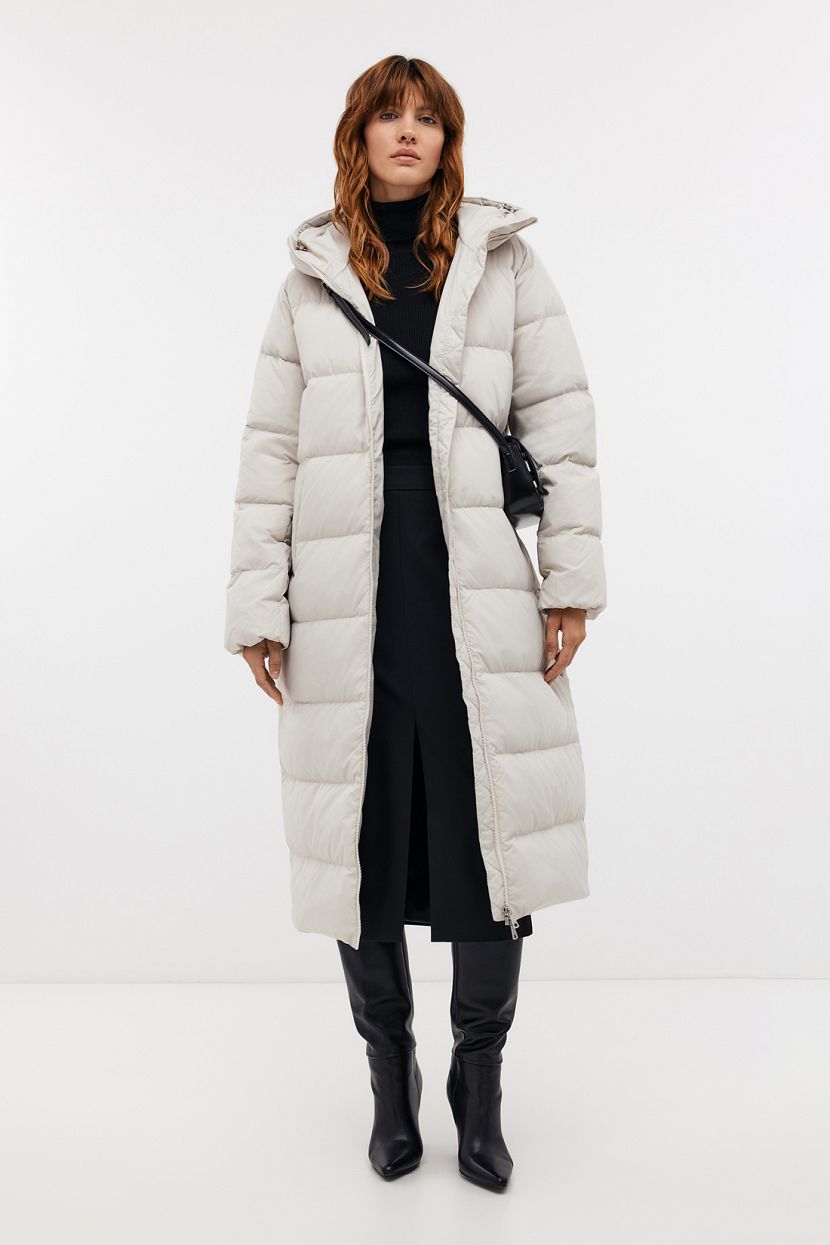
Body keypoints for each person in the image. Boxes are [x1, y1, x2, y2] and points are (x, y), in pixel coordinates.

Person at [224, 55, 607, 1192]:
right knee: (363, 839)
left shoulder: (502, 262)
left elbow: (563, 425)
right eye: (387, 115)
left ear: (448, 139)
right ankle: (388, 1081)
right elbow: (269, 454)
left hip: (472, 580)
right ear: (357, 136)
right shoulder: (311, 277)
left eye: (427, 117)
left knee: (493, 833)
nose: (407, 131)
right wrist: (257, 601)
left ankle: (477, 1085)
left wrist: (568, 583)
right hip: (347, 591)